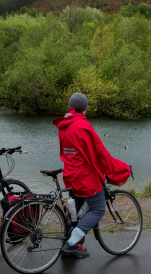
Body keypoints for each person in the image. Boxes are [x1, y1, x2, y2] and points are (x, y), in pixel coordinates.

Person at [53, 93, 131, 258]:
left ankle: (72, 244)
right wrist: (121, 168)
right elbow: (101, 154)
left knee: (75, 211)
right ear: (85, 109)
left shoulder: (63, 126)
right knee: (98, 209)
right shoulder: (83, 126)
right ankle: (70, 243)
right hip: (84, 177)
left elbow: (79, 152)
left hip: (70, 174)